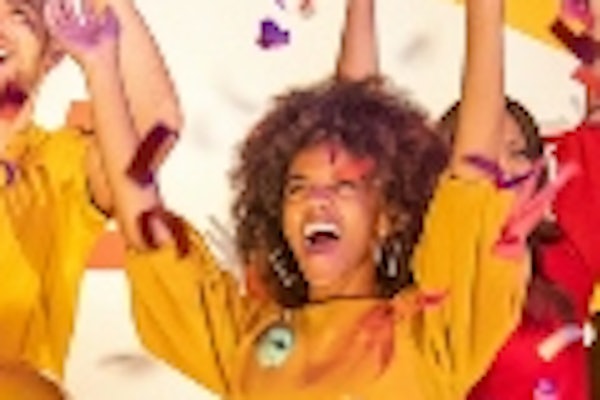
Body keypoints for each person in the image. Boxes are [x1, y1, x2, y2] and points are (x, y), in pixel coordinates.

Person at [87, 0, 567, 398]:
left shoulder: (427, 334)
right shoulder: (245, 339)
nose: (317, 200)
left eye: (343, 187)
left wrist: (485, 11)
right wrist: (100, 67)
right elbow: (146, 230)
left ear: (387, 218)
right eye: (298, 187)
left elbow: (471, 176)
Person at [0, 0, 180, 379]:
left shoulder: (60, 170)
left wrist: (101, 55)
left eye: (19, 16)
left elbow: (153, 128)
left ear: (51, 55)